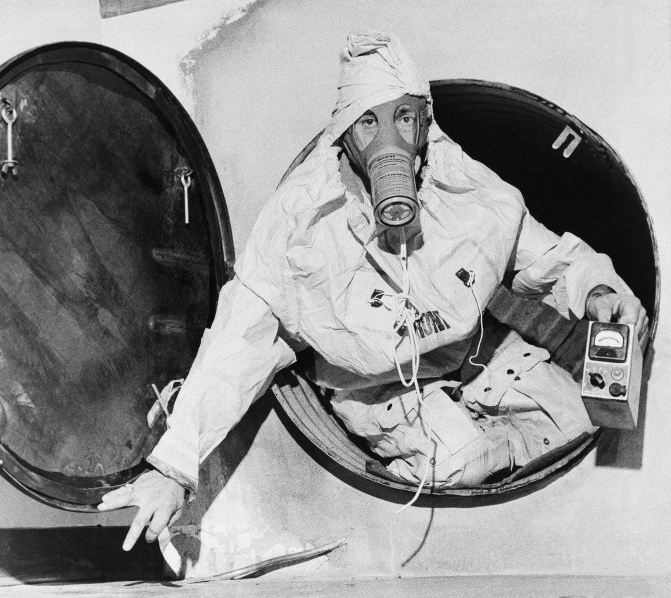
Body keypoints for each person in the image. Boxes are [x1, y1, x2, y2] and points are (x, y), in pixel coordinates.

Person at [99, 31, 648, 553]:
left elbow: (550, 256)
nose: (390, 139)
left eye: (404, 118)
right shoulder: (301, 223)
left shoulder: (466, 188)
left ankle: (483, 428)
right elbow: (239, 342)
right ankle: (471, 440)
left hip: (473, 352)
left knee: (575, 416)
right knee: (457, 462)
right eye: (369, 123)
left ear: (425, 124)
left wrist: (597, 288)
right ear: (345, 133)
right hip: (375, 385)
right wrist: (172, 469)